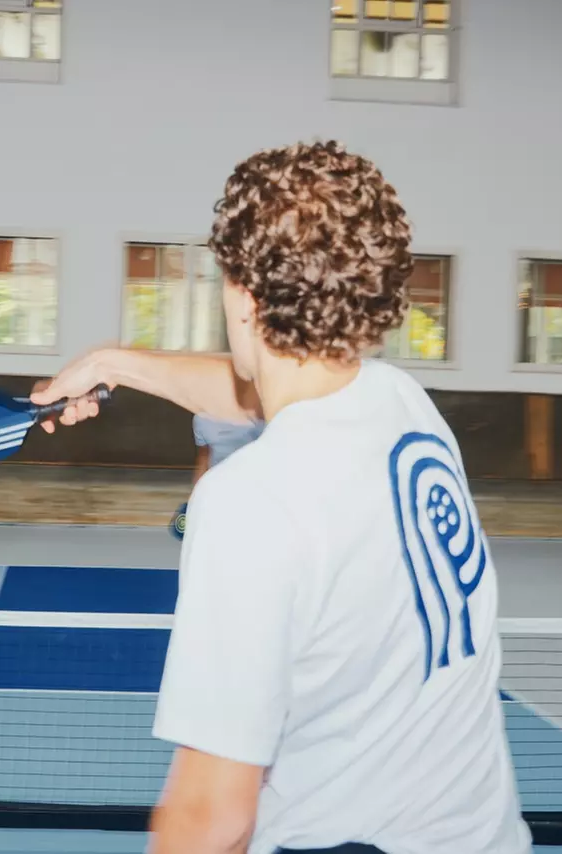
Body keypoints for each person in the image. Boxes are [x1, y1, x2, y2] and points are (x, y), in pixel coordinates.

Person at [33, 141, 531, 854]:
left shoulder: (252, 504)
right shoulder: (401, 403)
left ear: (243, 295)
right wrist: (111, 364)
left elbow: (211, 818)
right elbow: (257, 396)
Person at [172, 413, 266, 539]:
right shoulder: (201, 419)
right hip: (217, 490)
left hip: (249, 490)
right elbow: (204, 456)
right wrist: (193, 499)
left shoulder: (254, 416)